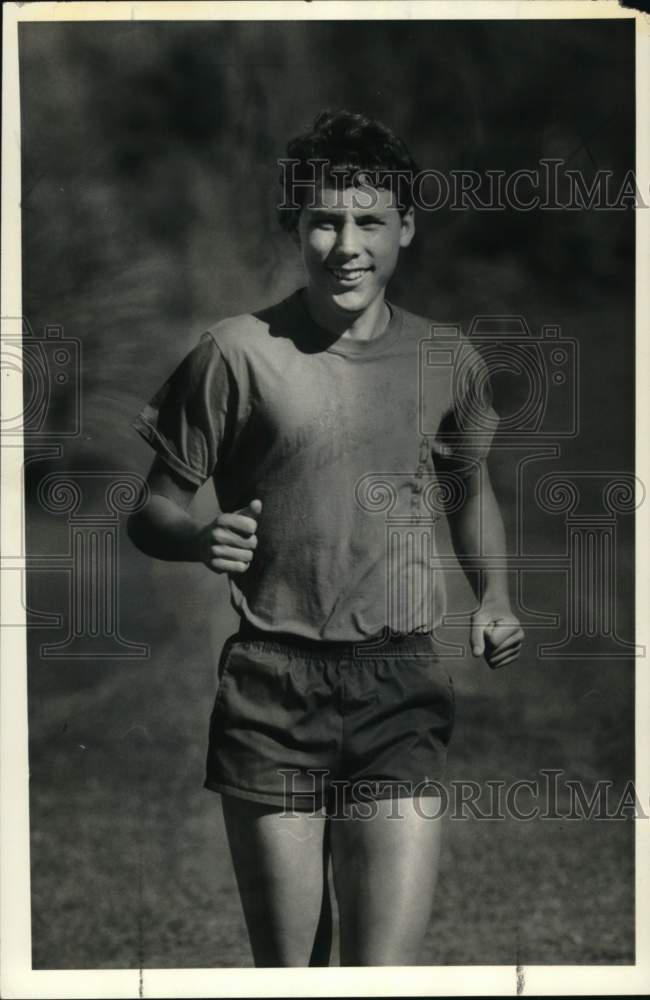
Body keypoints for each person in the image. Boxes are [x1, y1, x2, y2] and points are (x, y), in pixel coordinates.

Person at [127, 109, 524, 967]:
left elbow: (468, 490)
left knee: (383, 975)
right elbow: (151, 509)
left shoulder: (447, 359)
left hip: (399, 684)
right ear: (294, 227)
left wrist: (494, 597)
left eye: (370, 221)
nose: (347, 244)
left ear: (405, 228)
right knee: (294, 977)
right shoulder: (234, 354)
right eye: (324, 221)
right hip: (272, 689)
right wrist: (199, 540)